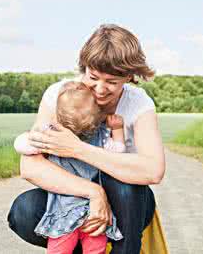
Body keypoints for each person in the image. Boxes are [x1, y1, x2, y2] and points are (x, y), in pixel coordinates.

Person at [7, 24, 166, 254]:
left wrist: (77, 149)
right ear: (84, 68)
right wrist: (93, 192)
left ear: (129, 77)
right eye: (93, 77)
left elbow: (153, 170)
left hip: (127, 207)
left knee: (124, 186)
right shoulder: (61, 95)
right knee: (24, 210)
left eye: (111, 82)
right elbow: (31, 167)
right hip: (73, 201)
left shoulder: (138, 104)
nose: (100, 89)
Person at [15, 81, 125, 254]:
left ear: (58, 117)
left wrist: (31, 136)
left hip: (63, 214)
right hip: (94, 214)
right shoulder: (101, 139)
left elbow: (23, 147)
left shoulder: (51, 138)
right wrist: (117, 129)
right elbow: (118, 153)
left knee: (59, 251)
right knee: (96, 250)